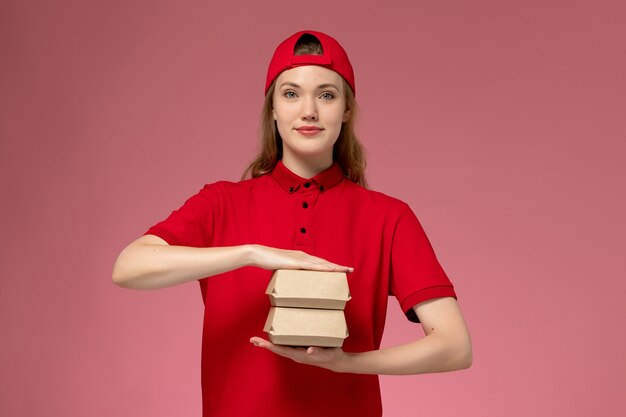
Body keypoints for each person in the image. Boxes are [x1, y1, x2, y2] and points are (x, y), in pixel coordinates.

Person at [113, 30, 472, 417]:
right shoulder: (221, 203)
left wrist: (347, 363)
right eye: (291, 93)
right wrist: (251, 253)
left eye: (327, 95)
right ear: (272, 109)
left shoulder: (389, 217)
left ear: (347, 110)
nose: (309, 110)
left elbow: (454, 346)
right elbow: (129, 267)